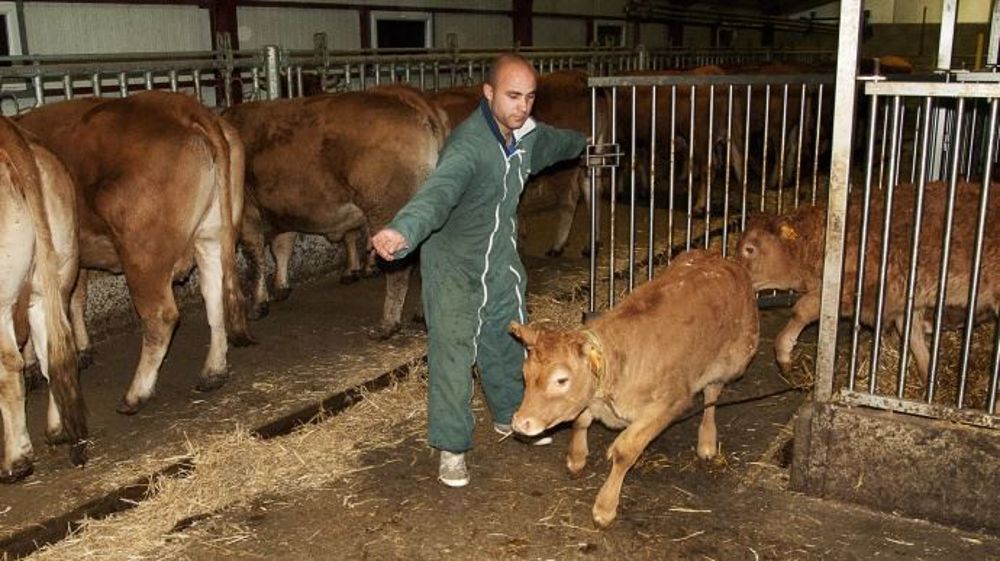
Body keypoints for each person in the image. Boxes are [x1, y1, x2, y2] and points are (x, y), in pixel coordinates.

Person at [371, 53, 587, 488]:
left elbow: (556, 143)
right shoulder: (470, 147)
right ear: (488, 94)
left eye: (529, 97)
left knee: (508, 340)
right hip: (455, 266)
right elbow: (438, 192)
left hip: (501, 262)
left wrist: (587, 141)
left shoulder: (524, 135)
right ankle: (452, 447)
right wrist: (403, 229)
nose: (522, 106)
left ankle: (510, 414)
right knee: (453, 353)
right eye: (512, 96)